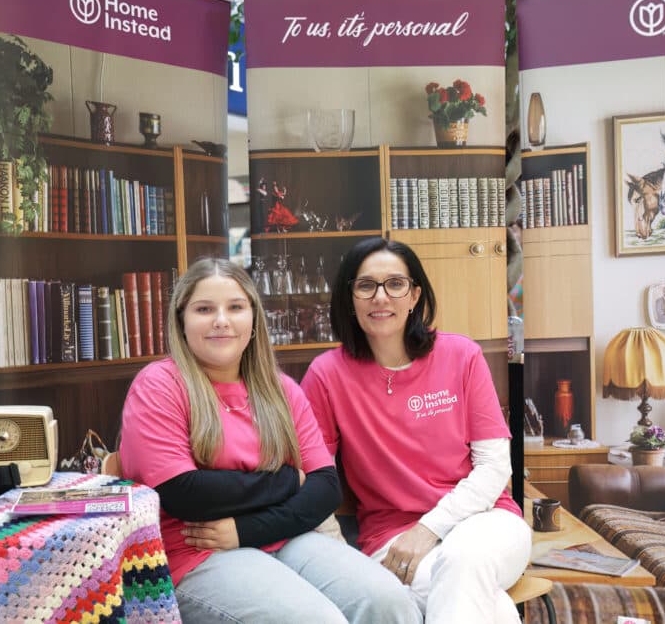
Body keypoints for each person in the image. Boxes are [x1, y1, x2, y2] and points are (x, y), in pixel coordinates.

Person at [119, 258, 420, 624]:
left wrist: (245, 529)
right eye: (204, 309)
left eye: (235, 307)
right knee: (318, 620)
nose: (221, 320)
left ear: (253, 318)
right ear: (182, 320)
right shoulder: (160, 385)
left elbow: (325, 488)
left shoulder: (280, 389)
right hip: (197, 551)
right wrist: (288, 480)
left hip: (286, 537)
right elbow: (185, 493)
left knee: (389, 600)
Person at [301, 238, 532, 623]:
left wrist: (428, 529)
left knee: (462, 562)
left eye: (395, 284)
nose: (381, 297)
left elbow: (494, 467)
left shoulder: (462, 356)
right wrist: (340, 558)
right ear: (350, 298)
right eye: (366, 286)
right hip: (391, 539)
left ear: (415, 295)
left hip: (486, 523)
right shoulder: (326, 375)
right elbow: (314, 477)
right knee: (488, 605)